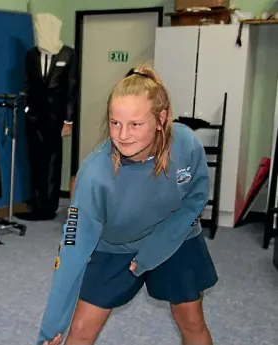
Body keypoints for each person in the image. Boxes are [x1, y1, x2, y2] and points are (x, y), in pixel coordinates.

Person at [36, 64, 218, 345]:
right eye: (115, 123)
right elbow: (72, 248)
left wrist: (156, 249)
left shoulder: (185, 144)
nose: (122, 135)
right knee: (81, 331)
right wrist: (50, 330)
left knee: (192, 322)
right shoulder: (95, 173)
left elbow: (196, 197)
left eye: (135, 124)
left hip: (175, 236)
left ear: (161, 118)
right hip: (115, 247)